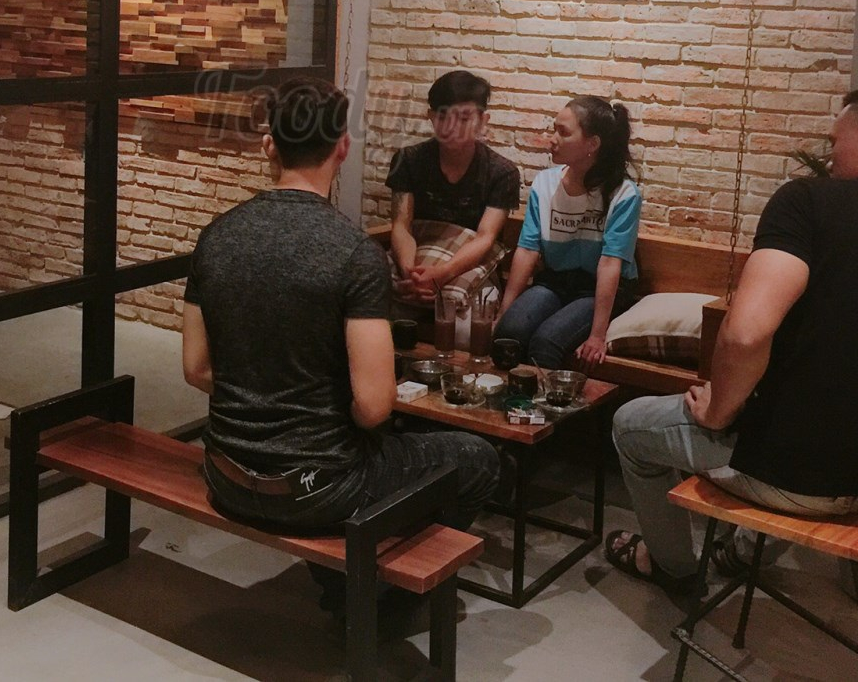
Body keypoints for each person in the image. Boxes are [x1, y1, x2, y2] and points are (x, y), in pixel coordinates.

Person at [606, 80, 858, 594]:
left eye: (836, 141)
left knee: (629, 425)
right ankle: (740, 557)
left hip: (792, 479)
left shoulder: (811, 202)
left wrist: (718, 411)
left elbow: (745, 334)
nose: (831, 158)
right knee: (808, 422)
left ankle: (674, 569)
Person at [182, 77, 499, 605]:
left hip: (225, 476)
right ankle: (380, 597)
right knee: (478, 458)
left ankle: (344, 577)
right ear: (342, 148)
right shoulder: (354, 254)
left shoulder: (215, 236)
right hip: (317, 489)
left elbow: (196, 369)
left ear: (269, 146)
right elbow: (374, 407)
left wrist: (265, 393)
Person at [493, 95, 641, 369]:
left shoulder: (623, 194)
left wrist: (597, 335)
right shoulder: (544, 184)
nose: (552, 139)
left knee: (546, 343)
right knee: (509, 333)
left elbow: (610, 263)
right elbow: (527, 250)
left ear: (592, 144)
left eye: (563, 132)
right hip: (555, 281)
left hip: (598, 289)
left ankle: (547, 399)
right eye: (554, 130)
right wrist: (505, 309)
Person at [385, 70, 521, 336]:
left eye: (464, 118)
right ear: (430, 116)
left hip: (471, 265)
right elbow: (401, 226)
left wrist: (442, 274)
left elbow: (485, 237)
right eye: (443, 117)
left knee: (466, 329)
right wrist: (411, 274)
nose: (452, 127)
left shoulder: (501, 172)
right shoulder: (408, 160)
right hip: (417, 258)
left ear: (483, 120)